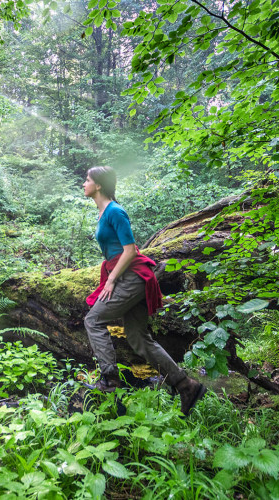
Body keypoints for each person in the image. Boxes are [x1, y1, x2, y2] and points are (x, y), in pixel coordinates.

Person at [82, 166, 206, 417]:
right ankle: (185, 385)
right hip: (126, 275)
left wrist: (111, 280)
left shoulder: (116, 211)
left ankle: (109, 379)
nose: (83, 183)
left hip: (132, 277)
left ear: (99, 185)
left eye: (87, 179)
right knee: (137, 336)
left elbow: (129, 249)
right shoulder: (103, 212)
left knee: (93, 320)